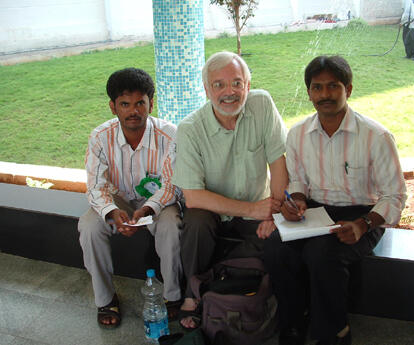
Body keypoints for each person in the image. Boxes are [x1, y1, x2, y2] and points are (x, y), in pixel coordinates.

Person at [264, 56, 407, 345]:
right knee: (275, 248)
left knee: (322, 254)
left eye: (333, 86)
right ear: (309, 93)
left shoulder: (375, 136)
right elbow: (299, 182)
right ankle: (293, 322)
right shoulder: (298, 134)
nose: (325, 94)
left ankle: (334, 329)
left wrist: (364, 224)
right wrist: (298, 203)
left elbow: (395, 195)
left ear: (349, 90)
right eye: (317, 87)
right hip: (316, 213)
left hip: (363, 214)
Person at [172, 51, 288, 329]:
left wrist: (272, 214)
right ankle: (193, 293)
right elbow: (194, 196)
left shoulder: (261, 104)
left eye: (237, 83)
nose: (229, 92)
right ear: (206, 90)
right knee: (195, 220)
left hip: (256, 215)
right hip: (215, 214)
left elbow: (279, 164)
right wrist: (253, 209)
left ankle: (212, 280)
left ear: (248, 85)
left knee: (283, 236)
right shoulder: (189, 129)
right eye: (219, 85)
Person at [78, 68, 183, 329]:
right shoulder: (100, 138)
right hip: (119, 202)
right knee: (89, 226)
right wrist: (112, 212)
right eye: (125, 104)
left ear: (151, 103)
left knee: (171, 224)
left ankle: (172, 296)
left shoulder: (170, 135)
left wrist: (149, 207)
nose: (133, 111)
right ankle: (105, 299)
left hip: (159, 203)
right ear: (113, 107)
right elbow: (95, 186)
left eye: (140, 103)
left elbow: (174, 185)